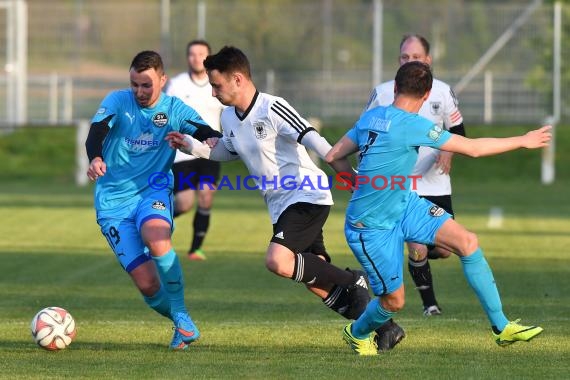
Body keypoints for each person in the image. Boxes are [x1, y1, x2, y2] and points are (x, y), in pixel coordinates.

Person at [325, 61, 549, 355]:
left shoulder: (372, 116)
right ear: (427, 93)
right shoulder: (414, 125)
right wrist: (523, 140)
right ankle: (356, 333)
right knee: (394, 301)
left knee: (466, 241)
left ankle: (502, 328)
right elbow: (474, 148)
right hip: (371, 226)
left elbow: (333, 156)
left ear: (394, 87)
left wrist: (355, 183)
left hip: (405, 205)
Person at [165, 45, 391, 335]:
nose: (212, 92)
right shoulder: (229, 117)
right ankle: (387, 329)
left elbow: (313, 139)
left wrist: (349, 177)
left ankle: (353, 280)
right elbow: (228, 150)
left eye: (216, 85)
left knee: (277, 260)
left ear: (237, 79)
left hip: (306, 194)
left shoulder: (272, 107)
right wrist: (192, 146)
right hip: (280, 204)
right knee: (315, 279)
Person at [85, 50, 222, 350]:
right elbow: (96, 132)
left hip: (153, 190)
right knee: (147, 284)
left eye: (146, 85)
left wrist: (210, 138)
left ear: (163, 80)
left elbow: (202, 128)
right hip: (112, 204)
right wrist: (95, 156)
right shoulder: (117, 101)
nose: (139, 91)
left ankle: (182, 316)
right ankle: (180, 324)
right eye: (134, 84)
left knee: (156, 236)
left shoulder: (173, 108)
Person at [365, 34, 465, 316]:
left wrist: (447, 151)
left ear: (428, 61)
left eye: (416, 57)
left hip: (435, 181)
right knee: (417, 247)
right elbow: (366, 130)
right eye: (405, 58)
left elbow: (457, 130)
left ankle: (399, 243)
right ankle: (430, 305)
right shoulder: (384, 92)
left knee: (444, 249)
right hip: (400, 183)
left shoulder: (442, 92)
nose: (410, 62)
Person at [165, 39, 225, 261]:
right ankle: (153, 220)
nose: (196, 58)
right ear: (187, 57)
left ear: (208, 57)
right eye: (192, 54)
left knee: (207, 196)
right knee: (184, 203)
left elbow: (227, 114)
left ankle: (195, 249)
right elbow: (166, 112)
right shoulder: (177, 84)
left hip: (211, 150)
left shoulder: (218, 83)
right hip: (183, 151)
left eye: (201, 54)